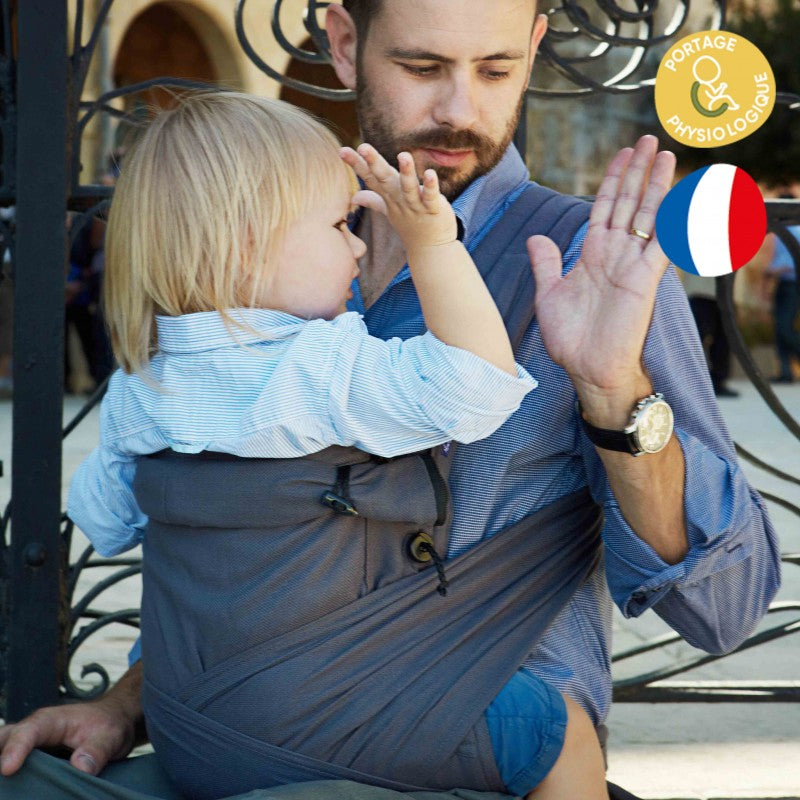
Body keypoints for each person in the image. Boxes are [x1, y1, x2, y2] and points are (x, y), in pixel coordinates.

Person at [0, 1, 781, 799]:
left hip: (446, 739)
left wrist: (615, 392)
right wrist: (125, 705)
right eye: (421, 67)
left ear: (535, 51)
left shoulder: (591, 263)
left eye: (496, 70)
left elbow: (725, 609)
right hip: (232, 723)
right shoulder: (251, 270)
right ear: (344, 44)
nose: (459, 109)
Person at [70, 91, 607, 799]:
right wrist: (433, 246)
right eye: (338, 224)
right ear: (245, 243)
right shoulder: (322, 371)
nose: (358, 243)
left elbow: (104, 521)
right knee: (558, 729)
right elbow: (478, 385)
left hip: (187, 726)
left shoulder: (139, 389)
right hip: (328, 721)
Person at [761, 201, 800, 384]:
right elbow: (778, 259)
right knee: (779, 328)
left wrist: (776, 270)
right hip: (783, 282)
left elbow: (792, 262)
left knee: (784, 327)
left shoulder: (796, 230)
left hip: (793, 283)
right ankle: (786, 373)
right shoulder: (779, 232)